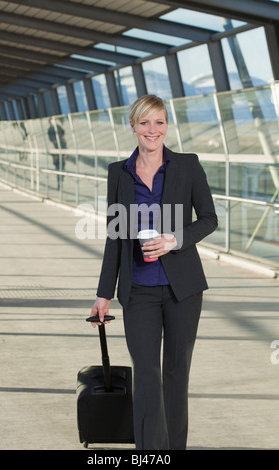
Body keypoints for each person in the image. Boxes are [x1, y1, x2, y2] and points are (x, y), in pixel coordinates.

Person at [89, 95, 218, 450]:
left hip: (183, 290)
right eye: (145, 122)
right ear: (132, 126)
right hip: (138, 291)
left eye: (159, 122)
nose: (152, 130)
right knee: (146, 378)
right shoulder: (119, 172)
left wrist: (176, 239)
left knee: (176, 377)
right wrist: (103, 293)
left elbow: (209, 219)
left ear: (167, 126)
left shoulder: (187, 165)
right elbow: (114, 236)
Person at [47, 118, 67, 189]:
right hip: (56, 153)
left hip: (61, 150)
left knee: (62, 167)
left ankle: (61, 180)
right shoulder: (50, 130)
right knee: (58, 168)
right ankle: (59, 183)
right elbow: (51, 139)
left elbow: (63, 134)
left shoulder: (58, 127)